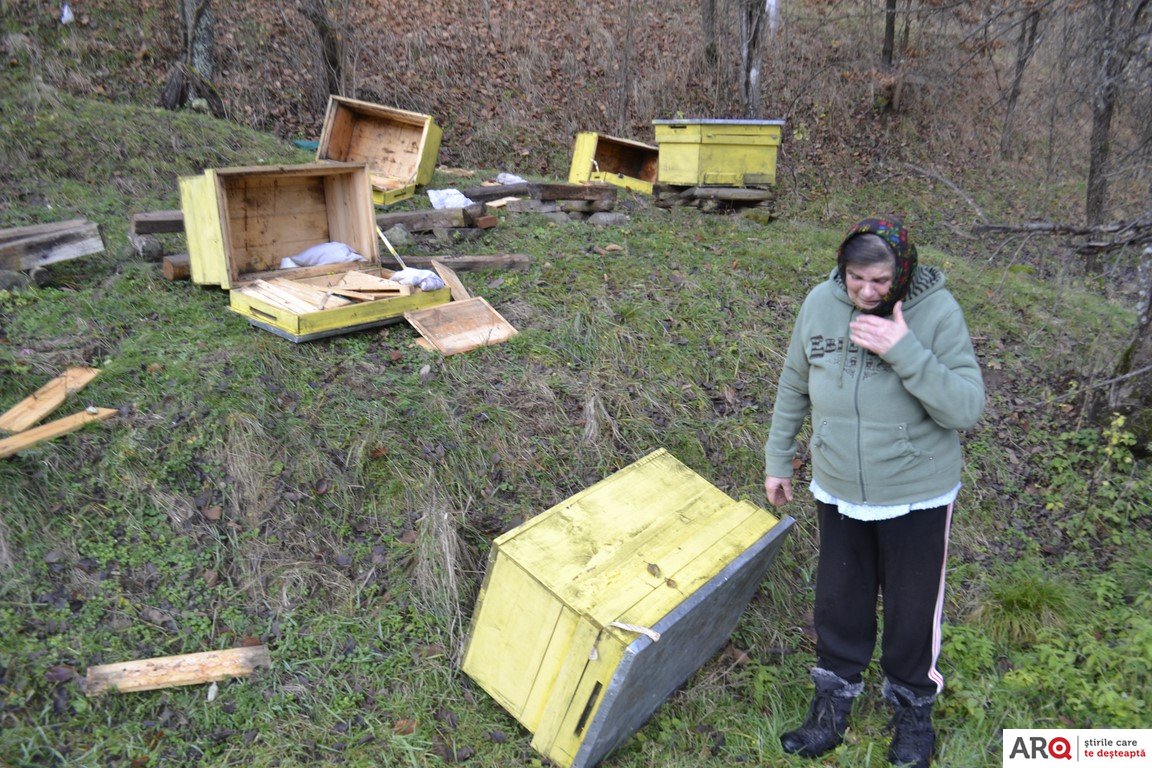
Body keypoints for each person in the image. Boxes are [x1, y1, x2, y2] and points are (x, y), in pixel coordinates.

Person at [762, 217, 984, 768]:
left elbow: (965, 408)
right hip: (838, 485)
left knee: (911, 610)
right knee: (839, 600)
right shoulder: (819, 302)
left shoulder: (938, 311)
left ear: (902, 271)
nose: (866, 292)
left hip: (916, 491)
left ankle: (912, 710)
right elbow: (794, 381)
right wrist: (777, 457)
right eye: (856, 278)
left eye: (880, 281)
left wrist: (905, 349)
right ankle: (831, 705)